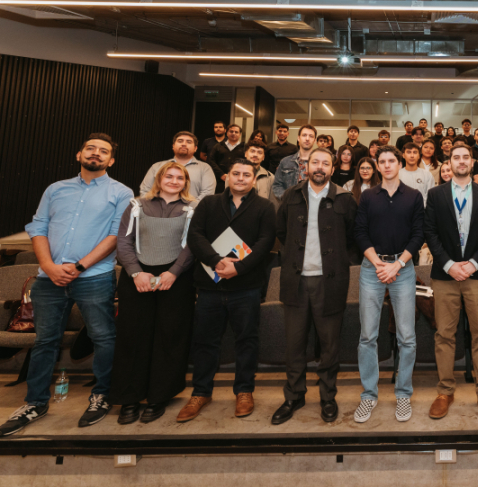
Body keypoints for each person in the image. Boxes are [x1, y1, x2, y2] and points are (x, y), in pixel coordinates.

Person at [2, 134, 132, 437]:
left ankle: (101, 396)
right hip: (49, 278)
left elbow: (116, 235)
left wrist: (79, 266)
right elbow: (39, 227)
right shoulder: (55, 189)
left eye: (104, 152)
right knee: (45, 341)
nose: (96, 154)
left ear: (111, 160)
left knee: (103, 337)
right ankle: (35, 402)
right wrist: (48, 266)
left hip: (94, 276)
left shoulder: (121, 192)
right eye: (91, 149)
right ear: (79, 154)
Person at [178, 158, 276, 423]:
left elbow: (265, 241)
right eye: (236, 173)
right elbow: (195, 235)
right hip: (209, 284)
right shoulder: (208, 204)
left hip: (246, 286)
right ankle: (201, 392)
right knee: (205, 341)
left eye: (247, 174)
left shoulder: (265, 207)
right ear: (227, 177)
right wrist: (216, 261)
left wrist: (239, 267)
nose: (241, 178)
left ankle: (244, 391)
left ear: (254, 180)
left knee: (246, 341)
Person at [273, 147, 360, 425]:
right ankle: (294, 396)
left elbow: (353, 237)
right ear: (306, 167)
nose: (320, 167)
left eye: (325, 163)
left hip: (330, 282)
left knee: (329, 344)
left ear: (333, 169)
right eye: (315, 162)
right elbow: (281, 232)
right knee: (294, 345)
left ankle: (327, 396)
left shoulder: (345, 199)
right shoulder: (291, 195)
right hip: (295, 281)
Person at [111, 162, 197, 425]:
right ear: (159, 180)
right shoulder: (137, 206)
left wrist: (174, 272)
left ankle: (159, 396)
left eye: (179, 177)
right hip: (139, 278)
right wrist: (137, 273)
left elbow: (192, 244)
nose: (173, 180)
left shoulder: (192, 209)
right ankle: (130, 398)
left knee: (169, 337)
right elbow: (123, 242)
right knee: (133, 336)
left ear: (185, 182)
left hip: (176, 279)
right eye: (168, 176)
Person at [424, 143, 478, 425]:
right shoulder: (435, 194)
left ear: (471, 162)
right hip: (445, 275)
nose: (460, 161)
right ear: (450, 162)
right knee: (444, 335)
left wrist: (473, 264)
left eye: (465, 157)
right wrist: (449, 264)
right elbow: (429, 232)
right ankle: (445, 391)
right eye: (455, 157)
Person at [353, 146, 425, 424]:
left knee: (406, 336)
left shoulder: (414, 196)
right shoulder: (369, 196)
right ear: (377, 165)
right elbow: (359, 231)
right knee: (367, 336)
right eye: (381, 161)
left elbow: (418, 234)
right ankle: (369, 395)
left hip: (403, 268)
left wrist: (397, 264)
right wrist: (379, 264)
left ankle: (403, 393)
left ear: (399, 163)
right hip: (372, 268)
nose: (386, 165)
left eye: (390, 160)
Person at [140, 131, 215, 201]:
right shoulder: (156, 166)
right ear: (173, 146)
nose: (184, 144)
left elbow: (207, 194)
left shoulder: (205, 168)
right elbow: (145, 191)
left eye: (189, 142)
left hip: (192, 213)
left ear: (195, 148)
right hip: (158, 213)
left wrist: (190, 208)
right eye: (180, 141)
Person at [272, 125, 317, 201]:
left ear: (314, 140)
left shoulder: (320, 163)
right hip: (289, 206)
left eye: (311, 136)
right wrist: (288, 199)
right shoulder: (285, 162)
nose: (307, 139)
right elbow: (277, 185)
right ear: (298, 138)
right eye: (304, 135)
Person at [208, 124, 245, 193]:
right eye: (231, 131)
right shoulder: (218, 146)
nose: (233, 133)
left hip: (238, 181)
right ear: (227, 133)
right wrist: (221, 174)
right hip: (219, 181)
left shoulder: (244, 148)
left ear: (240, 134)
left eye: (236, 132)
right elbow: (211, 160)